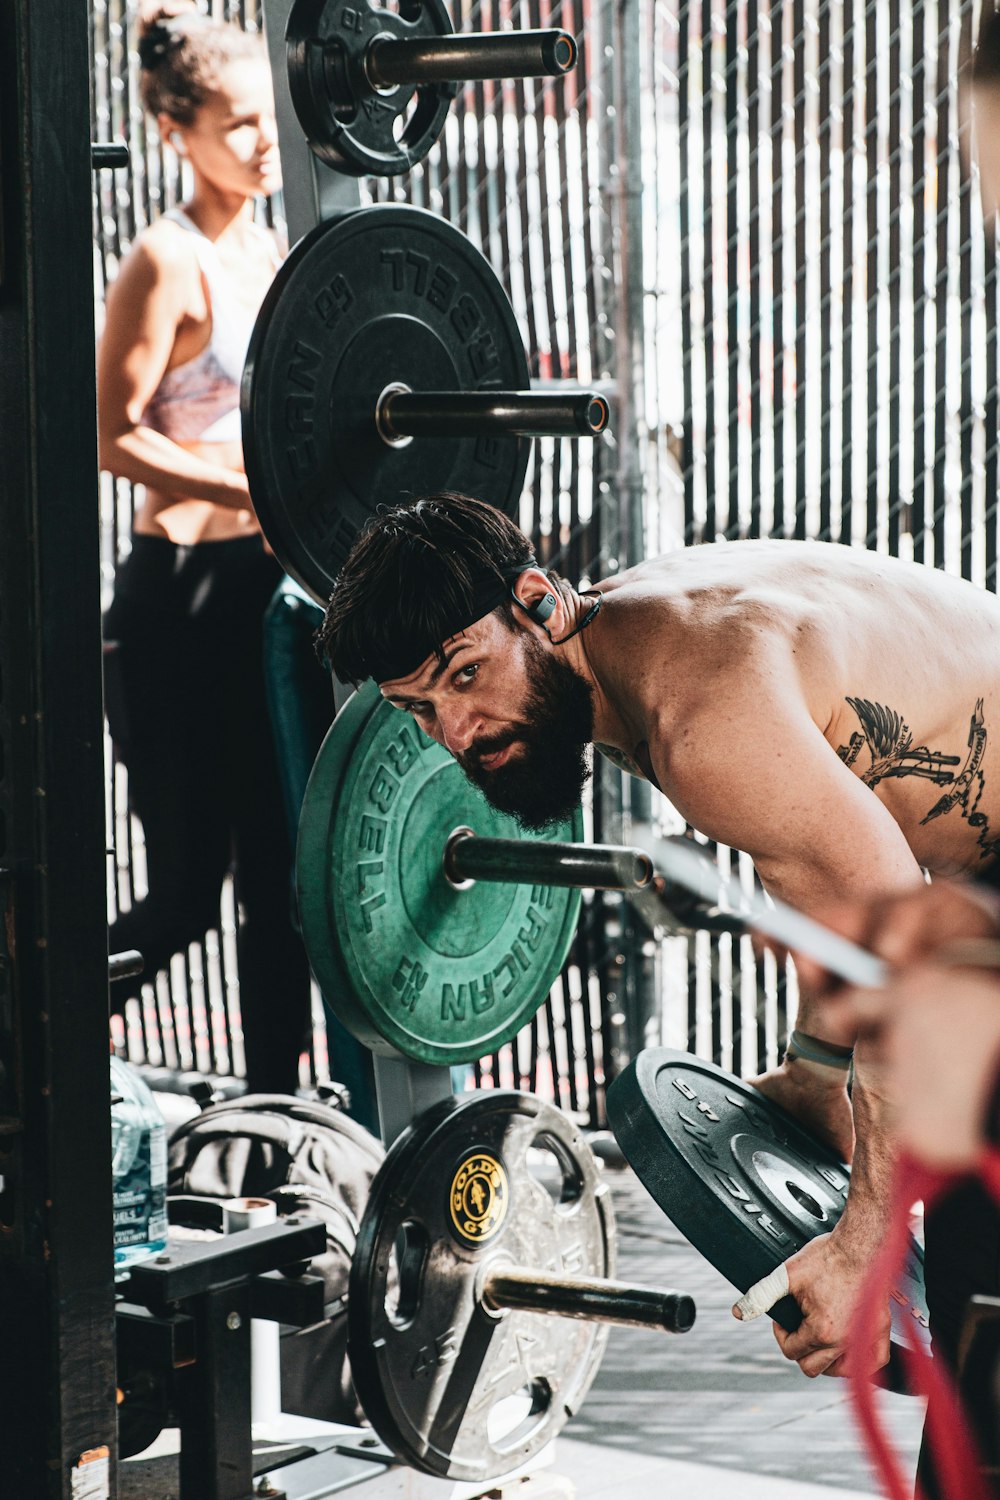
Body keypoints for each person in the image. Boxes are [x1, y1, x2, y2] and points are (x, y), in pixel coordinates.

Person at [316, 490, 1000, 1386]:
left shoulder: (703, 720)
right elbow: (824, 880)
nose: (453, 734)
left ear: (537, 603)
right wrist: (815, 1071)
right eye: (416, 708)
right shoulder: (640, 623)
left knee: (977, 1301)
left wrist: (863, 1242)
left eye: (465, 675)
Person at [99, 3, 311, 1094]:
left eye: (268, 123)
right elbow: (109, 433)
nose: (265, 144)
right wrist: (244, 481)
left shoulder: (272, 249)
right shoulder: (163, 259)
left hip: (261, 597)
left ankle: (280, 1128)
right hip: (177, 602)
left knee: (280, 881)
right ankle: (39, 1040)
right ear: (179, 131)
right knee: (186, 891)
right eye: (238, 126)